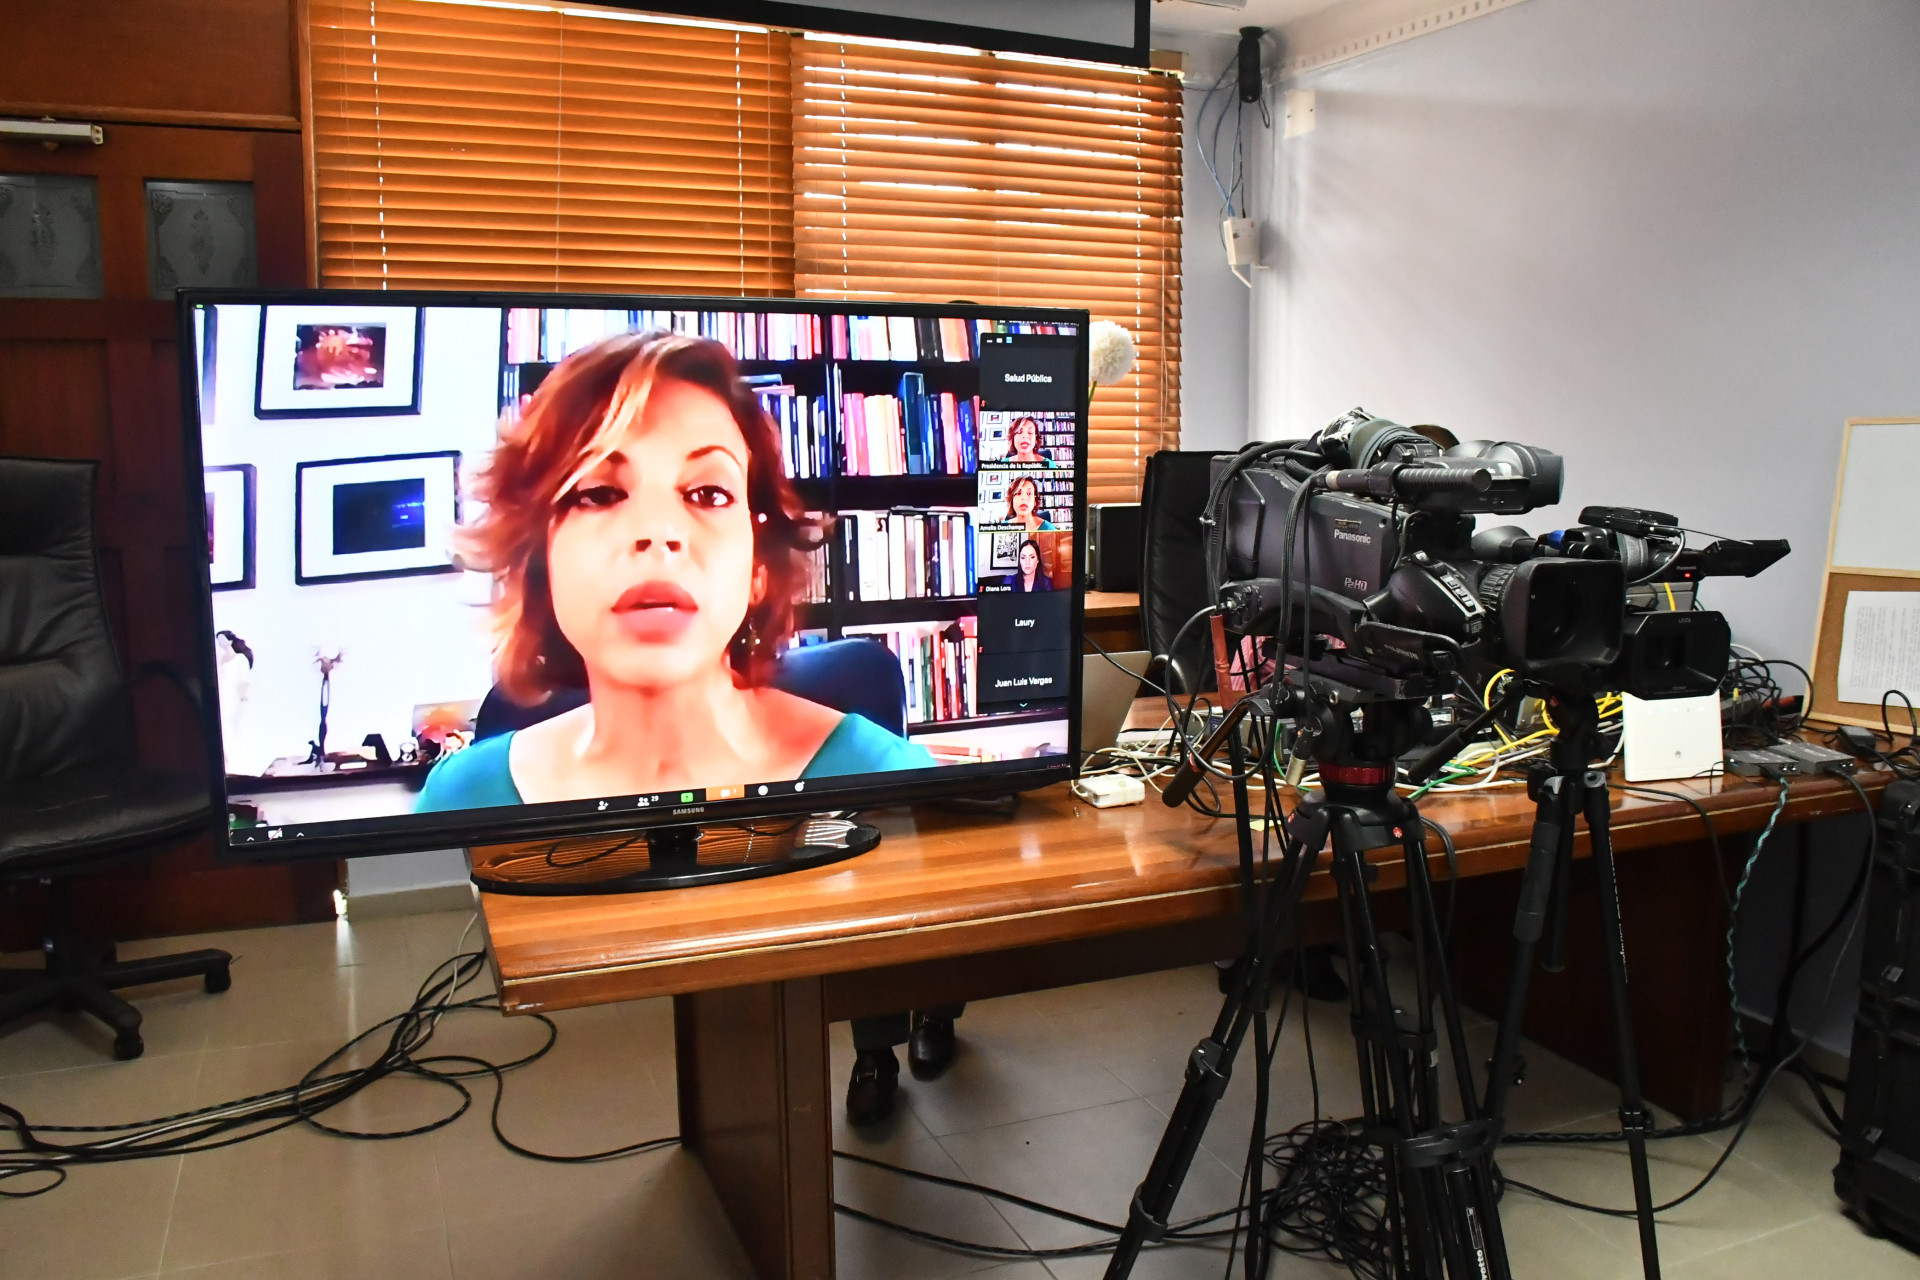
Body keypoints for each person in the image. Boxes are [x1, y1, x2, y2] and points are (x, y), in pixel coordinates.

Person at [417, 330, 934, 811]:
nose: (659, 532)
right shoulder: (457, 803)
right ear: (539, 560)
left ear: (758, 565)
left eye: (709, 493)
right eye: (600, 493)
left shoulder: (893, 785)